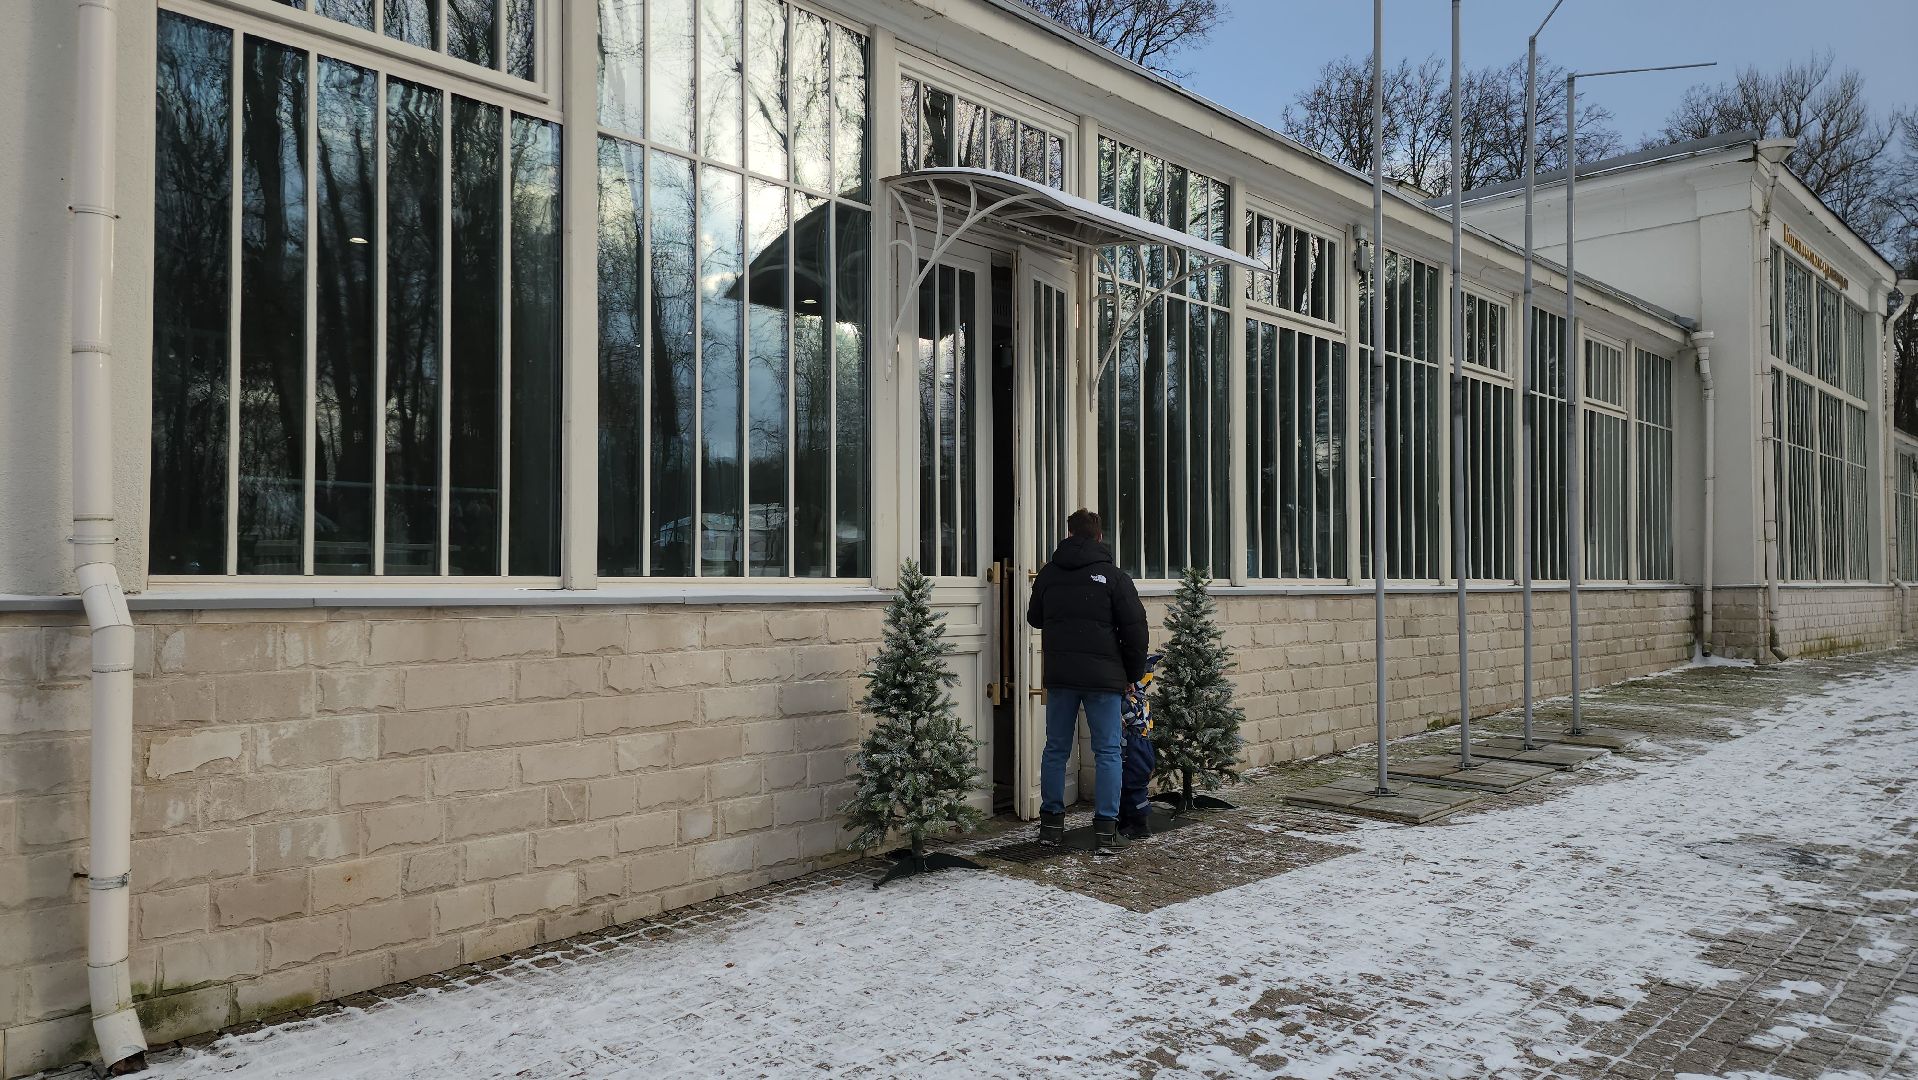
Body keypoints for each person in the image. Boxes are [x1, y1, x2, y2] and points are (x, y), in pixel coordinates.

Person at [1025, 508, 1148, 853]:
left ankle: (1051, 826)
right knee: (1107, 751)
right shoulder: (1114, 577)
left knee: (1055, 749)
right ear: (1098, 536)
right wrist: (1132, 674)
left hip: (1061, 676)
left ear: (1068, 534)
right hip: (1105, 679)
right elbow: (1136, 630)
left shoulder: (1049, 573)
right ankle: (1105, 831)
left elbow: (1035, 618)